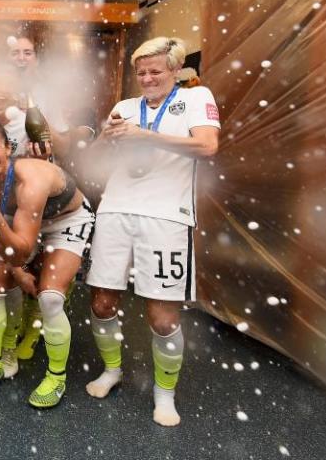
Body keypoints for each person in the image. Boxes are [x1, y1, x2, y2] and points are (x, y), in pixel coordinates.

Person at [84, 37, 220, 427]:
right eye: (141, 72)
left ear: (175, 70)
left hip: (166, 216)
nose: (146, 78)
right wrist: (104, 139)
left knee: (162, 317)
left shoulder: (196, 98)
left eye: (155, 71)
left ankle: (165, 394)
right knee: (102, 303)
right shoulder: (125, 108)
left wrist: (147, 136)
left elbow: (208, 146)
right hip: (116, 209)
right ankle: (112, 371)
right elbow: (92, 160)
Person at [0, 119, 94, 408]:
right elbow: (12, 250)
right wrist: (15, 271)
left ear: (9, 149)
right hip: (20, 223)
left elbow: (20, 252)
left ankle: (56, 377)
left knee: (49, 297)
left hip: (66, 222)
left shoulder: (30, 180)